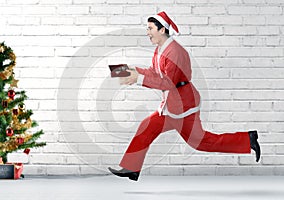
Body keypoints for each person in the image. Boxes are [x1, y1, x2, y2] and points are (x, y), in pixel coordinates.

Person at [108, 11, 261, 181]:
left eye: (150, 28)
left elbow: (167, 82)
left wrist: (139, 79)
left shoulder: (175, 52)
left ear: (161, 30)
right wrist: (129, 70)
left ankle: (248, 140)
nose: (147, 32)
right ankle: (131, 168)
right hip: (171, 106)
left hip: (183, 107)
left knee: (201, 142)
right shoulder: (160, 50)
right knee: (147, 126)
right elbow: (154, 72)